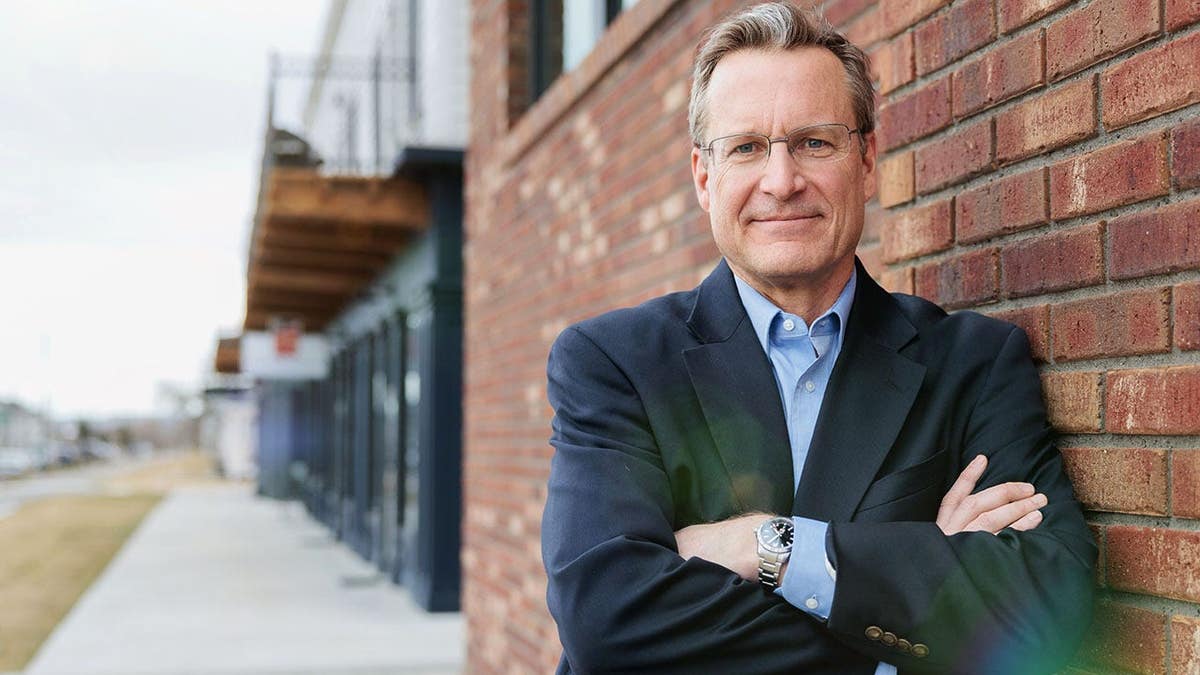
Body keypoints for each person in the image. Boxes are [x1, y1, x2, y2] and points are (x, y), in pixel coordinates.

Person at [541, 3, 1095, 673]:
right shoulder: (613, 364)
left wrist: (767, 545)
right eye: (746, 147)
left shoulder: (974, 364)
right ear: (703, 176)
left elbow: (1049, 606)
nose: (782, 180)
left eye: (815, 142)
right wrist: (906, 589)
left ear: (866, 158)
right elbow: (605, 620)